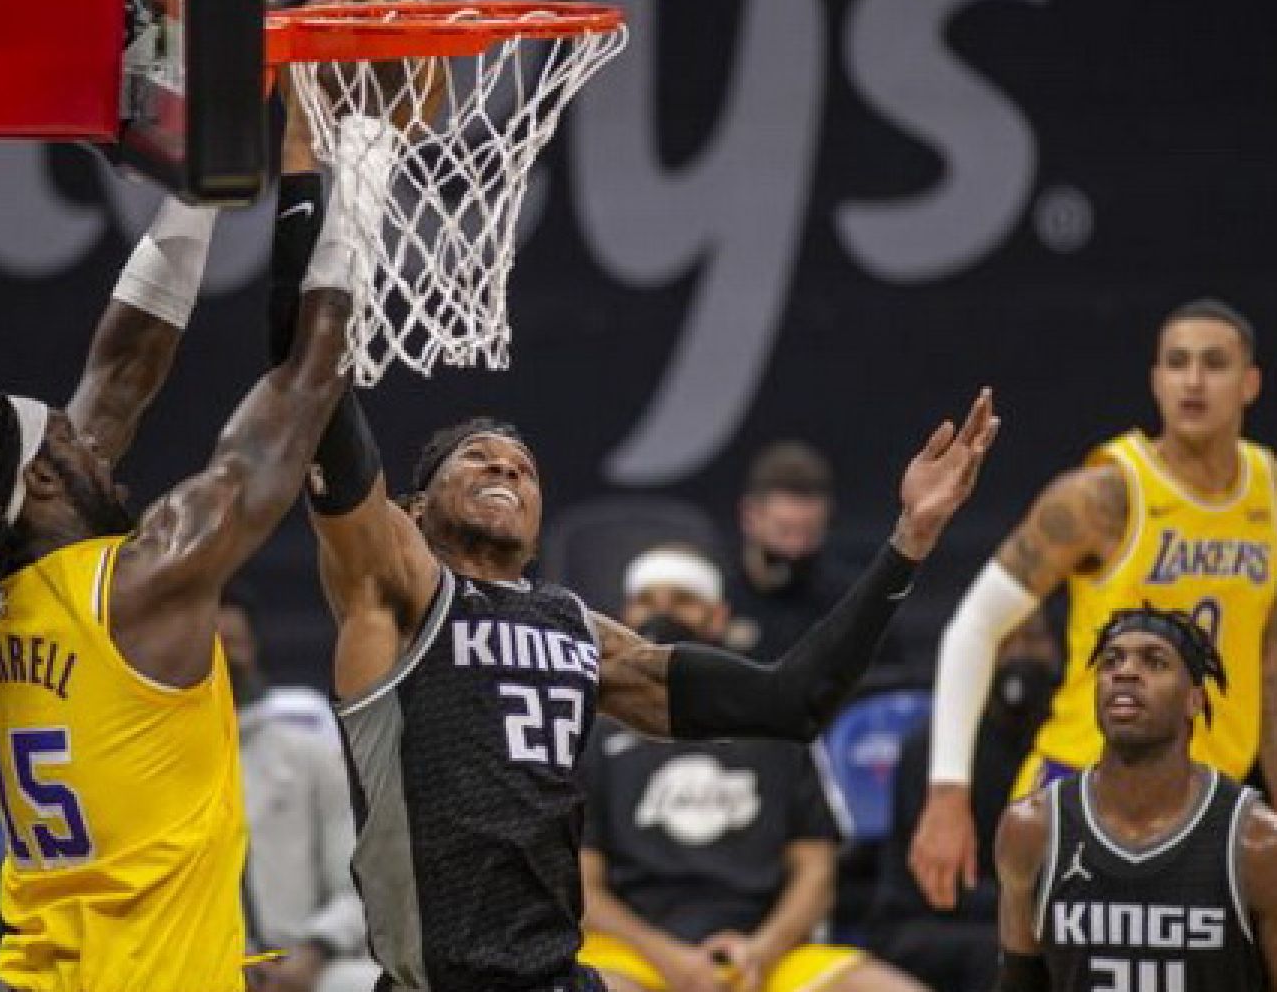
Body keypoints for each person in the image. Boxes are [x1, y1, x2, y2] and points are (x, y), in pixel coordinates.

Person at [260, 181, 998, 991]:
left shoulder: (581, 634)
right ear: (412, 508)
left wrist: (908, 540)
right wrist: (305, 171)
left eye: (523, 468)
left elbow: (793, 701)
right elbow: (311, 381)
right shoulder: (396, 592)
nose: (504, 466)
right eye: (476, 457)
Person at [0, 75, 375, 991]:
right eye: (69, 438)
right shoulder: (145, 580)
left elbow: (120, 374)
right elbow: (307, 379)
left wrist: (206, 169)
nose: (94, 438)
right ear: (43, 481)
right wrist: (367, 149)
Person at [913, 298, 1277, 914]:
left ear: (1249, 383)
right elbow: (974, 626)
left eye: (1214, 364)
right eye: (1177, 363)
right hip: (1083, 786)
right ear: (1155, 380)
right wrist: (947, 792)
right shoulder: (1102, 496)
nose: (1193, 380)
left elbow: (1265, 653)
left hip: (1210, 799)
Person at [577, 545, 924, 992]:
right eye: (646, 601)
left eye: (683, 600)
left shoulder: (771, 725)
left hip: (766, 953)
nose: (662, 615)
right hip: (635, 954)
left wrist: (760, 952)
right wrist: (673, 961)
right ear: (624, 616)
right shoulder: (592, 733)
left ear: (718, 617)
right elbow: (583, 886)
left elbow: (817, 873)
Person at [994, 606, 1277, 992]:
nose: (1125, 672)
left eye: (1154, 662)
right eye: (1111, 661)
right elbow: (1017, 984)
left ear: (1195, 700)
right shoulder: (1032, 829)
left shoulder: (1260, 844)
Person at [869, 616, 1057, 992]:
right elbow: (932, 884)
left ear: (1056, 649)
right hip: (935, 920)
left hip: (1033, 919)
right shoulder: (932, 751)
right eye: (1005, 640)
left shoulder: (1069, 749)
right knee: (1005, 954)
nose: (1019, 654)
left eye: (1033, 638)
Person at [219, 587, 378, 992]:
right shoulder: (156, 770)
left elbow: (359, 885)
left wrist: (313, 951)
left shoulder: (310, 754)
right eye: (211, 651)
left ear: (253, 648)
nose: (224, 662)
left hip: (308, 963)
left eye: (233, 645)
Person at [725, 442, 856, 658]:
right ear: (749, 517)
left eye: (810, 532)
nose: (796, 548)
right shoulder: (716, 595)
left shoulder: (848, 602)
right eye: (784, 531)